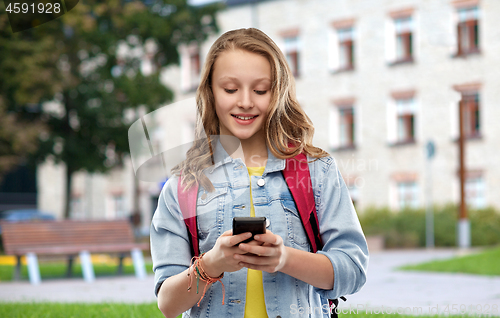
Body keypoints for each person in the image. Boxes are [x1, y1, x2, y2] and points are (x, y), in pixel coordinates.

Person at [150, 28, 368, 318]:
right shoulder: (182, 186)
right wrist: (212, 263)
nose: (245, 102)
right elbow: (168, 304)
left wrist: (284, 258)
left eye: (260, 90)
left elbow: (353, 270)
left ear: (277, 93)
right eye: (230, 89)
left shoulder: (318, 171)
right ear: (210, 92)